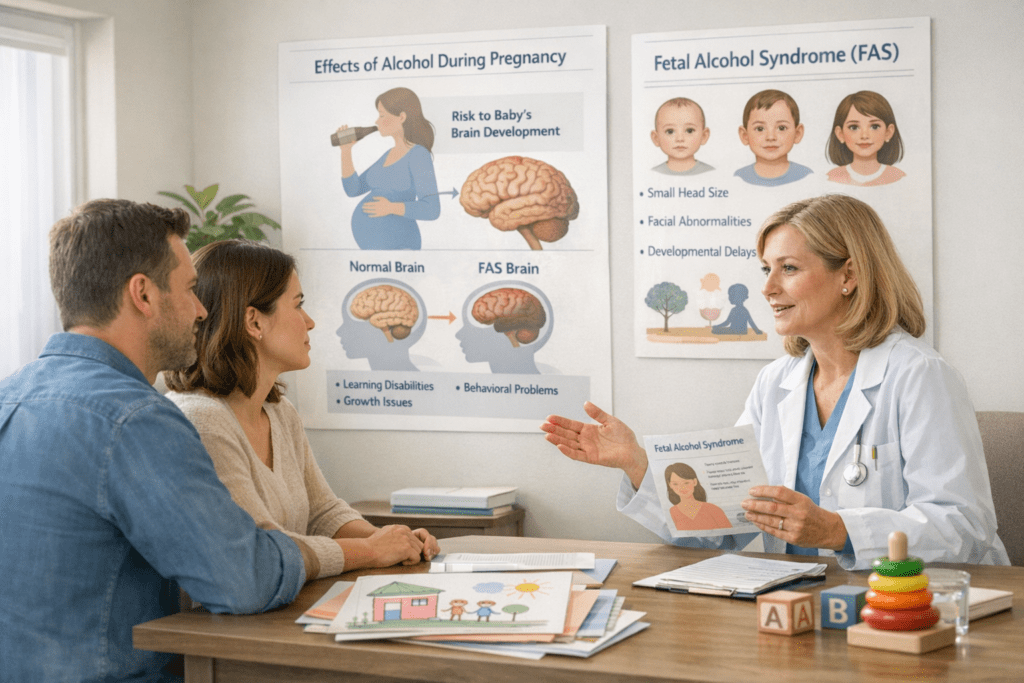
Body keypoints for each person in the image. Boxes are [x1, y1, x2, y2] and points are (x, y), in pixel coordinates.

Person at [542, 194, 1008, 570]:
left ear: (849, 274)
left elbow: (964, 526)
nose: (767, 288)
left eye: (788, 268)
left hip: (909, 612)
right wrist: (638, 464)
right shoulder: (776, 383)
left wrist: (837, 530)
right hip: (801, 606)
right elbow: (727, 522)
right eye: (766, 269)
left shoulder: (919, 375)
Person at [0, 199, 310, 682]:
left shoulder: (8, 397)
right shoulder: (137, 420)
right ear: (142, 294)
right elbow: (243, 581)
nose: (202, 309)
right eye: (189, 289)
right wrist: (329, 554)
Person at [164, 240, 439, 578]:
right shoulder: (201, 421)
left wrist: (394, 541)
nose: (309, 322)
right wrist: (370, 550)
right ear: (254, 322)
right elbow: (260, 549)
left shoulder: (280, 413)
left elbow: (322, 513)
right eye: (297, 305)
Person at [339, 87, 440, 250]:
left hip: (401, 248)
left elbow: (432, 209)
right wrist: (346, 151)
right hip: (374, 253)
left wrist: (391, 208)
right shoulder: (388, 154)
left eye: (382, 115)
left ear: (401, 117)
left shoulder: (418, 154)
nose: (377, 121)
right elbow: (353, 189)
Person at [826, 90, 906, 186]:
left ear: (888, 132)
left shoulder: (898, 177)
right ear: (840, 134)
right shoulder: (831, 178)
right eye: (854, 127)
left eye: (874, 127)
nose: (864, 136)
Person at [734, 89, 812, 187]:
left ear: (797, 134)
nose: (771, 137)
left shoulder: (807, 176)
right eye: (760, 128)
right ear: (744, 136)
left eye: (781, 128)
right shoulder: (738, 178)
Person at [650, 97, 713, 175]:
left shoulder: (711, 173)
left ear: (704, 136)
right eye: (670, 131)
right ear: (656, 138)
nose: (680, 139)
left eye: (689, 131)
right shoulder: (653, 174)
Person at [664, 463, 732, 531]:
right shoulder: (672, 512)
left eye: (686, 483)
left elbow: (730, 533)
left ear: (694, 482)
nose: (682, 487)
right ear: (670, 485)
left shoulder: (713, 509)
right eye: (675, 484)